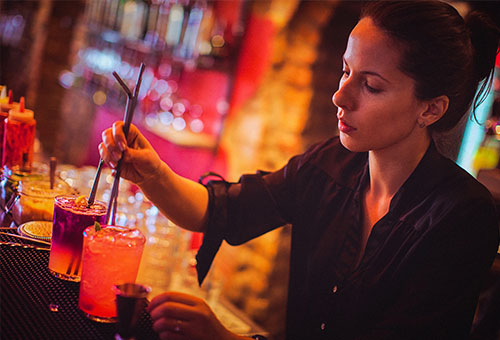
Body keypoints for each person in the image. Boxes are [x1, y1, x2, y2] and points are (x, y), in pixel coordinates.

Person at [99, 1, 500, 339]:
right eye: (346, 71)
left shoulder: (462, 216)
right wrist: (151, 173)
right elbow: (224, 210)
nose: (339, 95)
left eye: (371, 86)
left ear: (430, 108)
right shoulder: (333, 164)